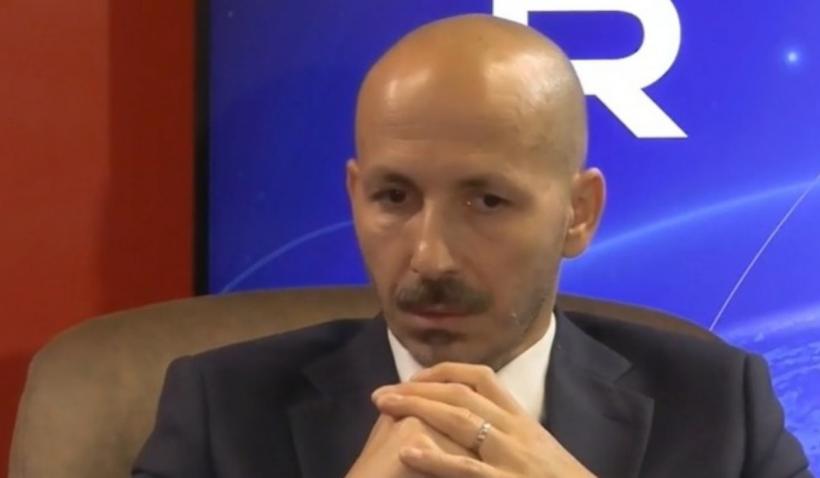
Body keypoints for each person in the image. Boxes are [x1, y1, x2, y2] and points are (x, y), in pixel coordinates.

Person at [133, 14, 810, 478]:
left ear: (578, 214)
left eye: (486, 201)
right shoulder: (222, 408)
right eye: (394, 197)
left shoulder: (718, 408)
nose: (430, 257)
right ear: (354, 195)